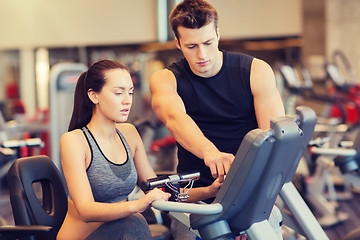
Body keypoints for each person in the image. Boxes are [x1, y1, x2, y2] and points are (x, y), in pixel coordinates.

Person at [150, 0, 285, 239]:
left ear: (218, 35)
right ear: (177, 43)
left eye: (208, 43)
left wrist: (248, 215)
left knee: (267, 226)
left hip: (251, 196)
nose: (201, 54)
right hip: (195, 201)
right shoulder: (166, 79)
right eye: (191, 46)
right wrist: (210, 152)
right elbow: (173, 116)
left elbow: (274, 143)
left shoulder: (255, 71)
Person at [56, 60, 172, 240]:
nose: (127, 100)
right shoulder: (74, 141)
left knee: (135, 222)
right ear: (94, 96)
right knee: (134, 221)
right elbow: (86, 210)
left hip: (123, 232)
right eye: (118, 93)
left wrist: (209, 191)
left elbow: (155, 188)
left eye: (130, 92)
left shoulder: (129, 133)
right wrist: (137, 205)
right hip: (84, 237)